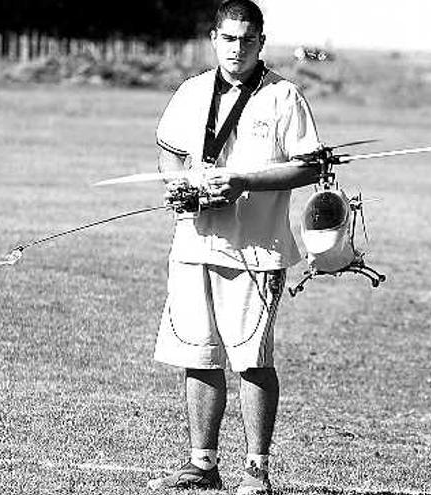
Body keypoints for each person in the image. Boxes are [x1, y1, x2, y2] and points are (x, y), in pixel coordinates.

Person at [146, 1, 321, 493]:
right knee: (198, 356)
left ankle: (256, 470)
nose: (237, 49)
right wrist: (178, 184)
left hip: (256, 251)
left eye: (247, 40)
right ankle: (202, 464)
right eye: (228, 38)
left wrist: (244, 181)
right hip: (193, 245)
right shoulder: (192, 90)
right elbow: (170, 151)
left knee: (252, 361)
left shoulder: (284, 97)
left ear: (261, 43)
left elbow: (310, 166)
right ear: (214, 38)